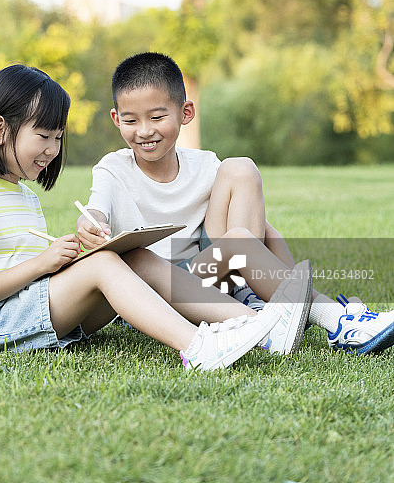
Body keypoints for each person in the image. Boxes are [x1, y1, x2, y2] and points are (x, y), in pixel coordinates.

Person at [0, 63, 313, 372]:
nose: (52, 149)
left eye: (58, 138)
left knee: (131, 257)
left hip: (29, 309)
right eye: (44, 136)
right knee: (102, 266)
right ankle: (200, 345)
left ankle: (255, 323)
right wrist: (41, 265)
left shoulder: (20, 194)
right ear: (0, 130)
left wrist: (58, 264)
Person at [77, 52, 394, 356]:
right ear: (116, 119)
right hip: (158, 290)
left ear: (186, 112)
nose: (145, 131)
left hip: (209, 275)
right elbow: (95, 209)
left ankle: (271, 305)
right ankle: (333, 319)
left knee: (242, 171)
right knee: (243, 241)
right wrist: (90, 223)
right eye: (131, 120)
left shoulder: (203, 165)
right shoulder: (112, 168)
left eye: (157, 117)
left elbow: (252, 229)